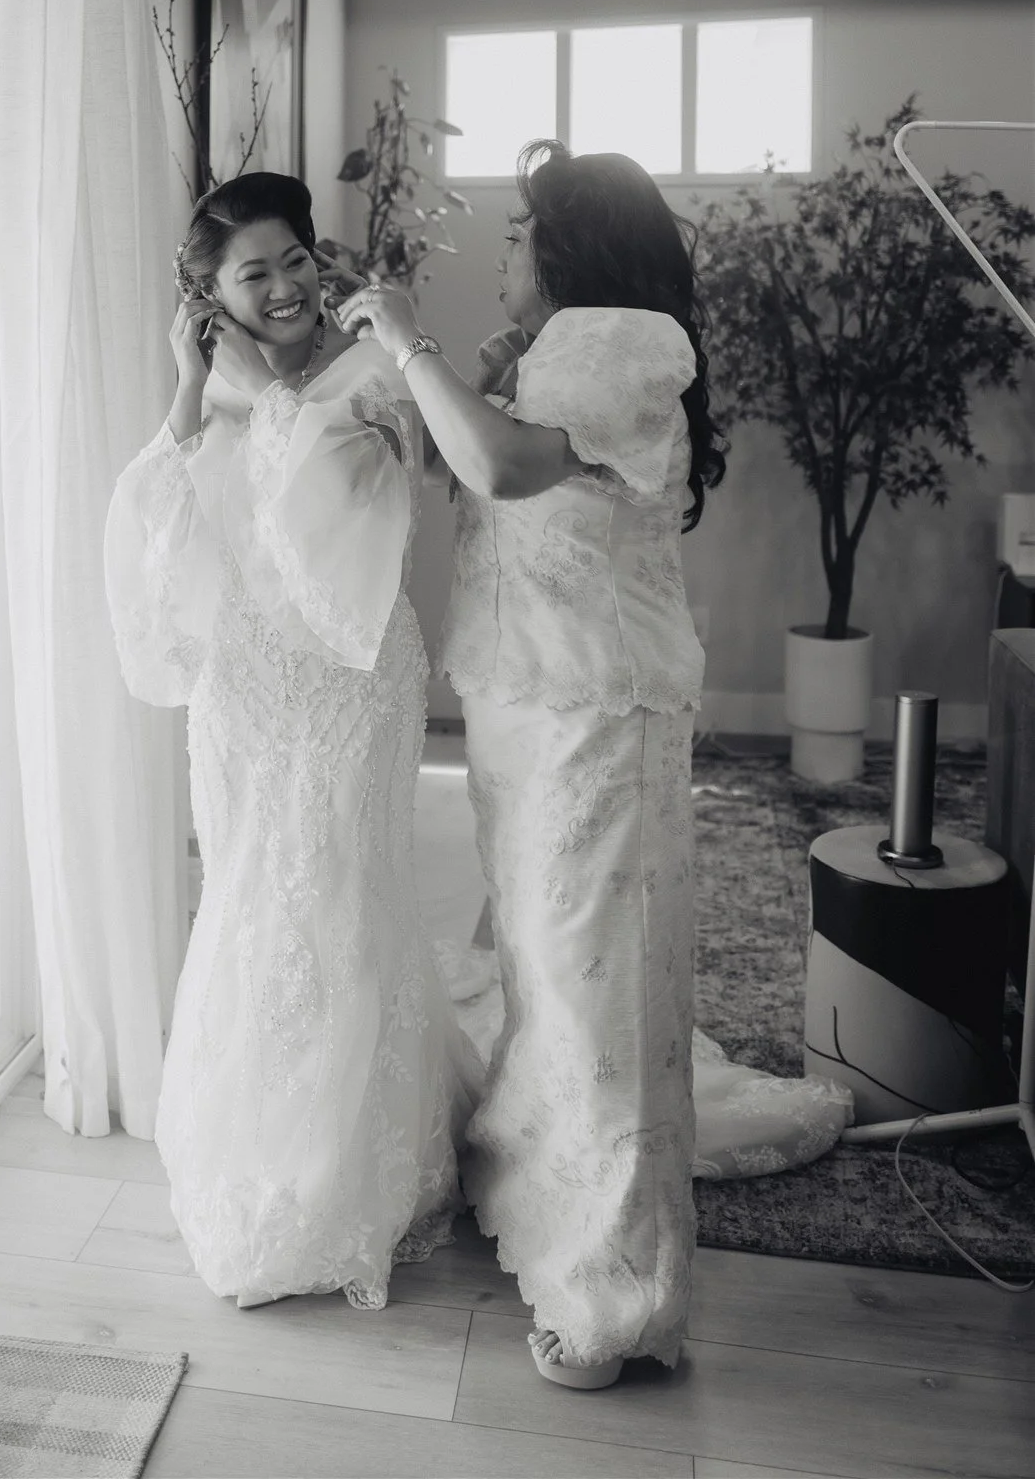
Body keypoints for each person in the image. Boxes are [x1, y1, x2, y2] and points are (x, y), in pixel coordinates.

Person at [337, 143, 726, 1388]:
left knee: (594, 991)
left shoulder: (618, 337)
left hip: (590, 722)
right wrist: (479, 373)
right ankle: (542, 1190)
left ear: (573, 249)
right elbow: (498, 467)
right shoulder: (571, 352)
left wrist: (406, 340)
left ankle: (615, 1297)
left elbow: (502, 467)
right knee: (550, 972)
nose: (504, 255)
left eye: (518, 235)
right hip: (539, 707)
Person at [105, 172, 477, 1311]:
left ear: (322, 261)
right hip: (245, 684)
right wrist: (185, 385)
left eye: (293, 260)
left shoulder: (378, 361)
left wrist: (381, 409)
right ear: (209, 294)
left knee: (345, 895)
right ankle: (252, 1155)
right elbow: (154, 524)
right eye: (250, 272)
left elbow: (404, 483)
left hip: (353, 677)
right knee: (253, 895)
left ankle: (347, 1170)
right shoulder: (206, 385)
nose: (281, 287)